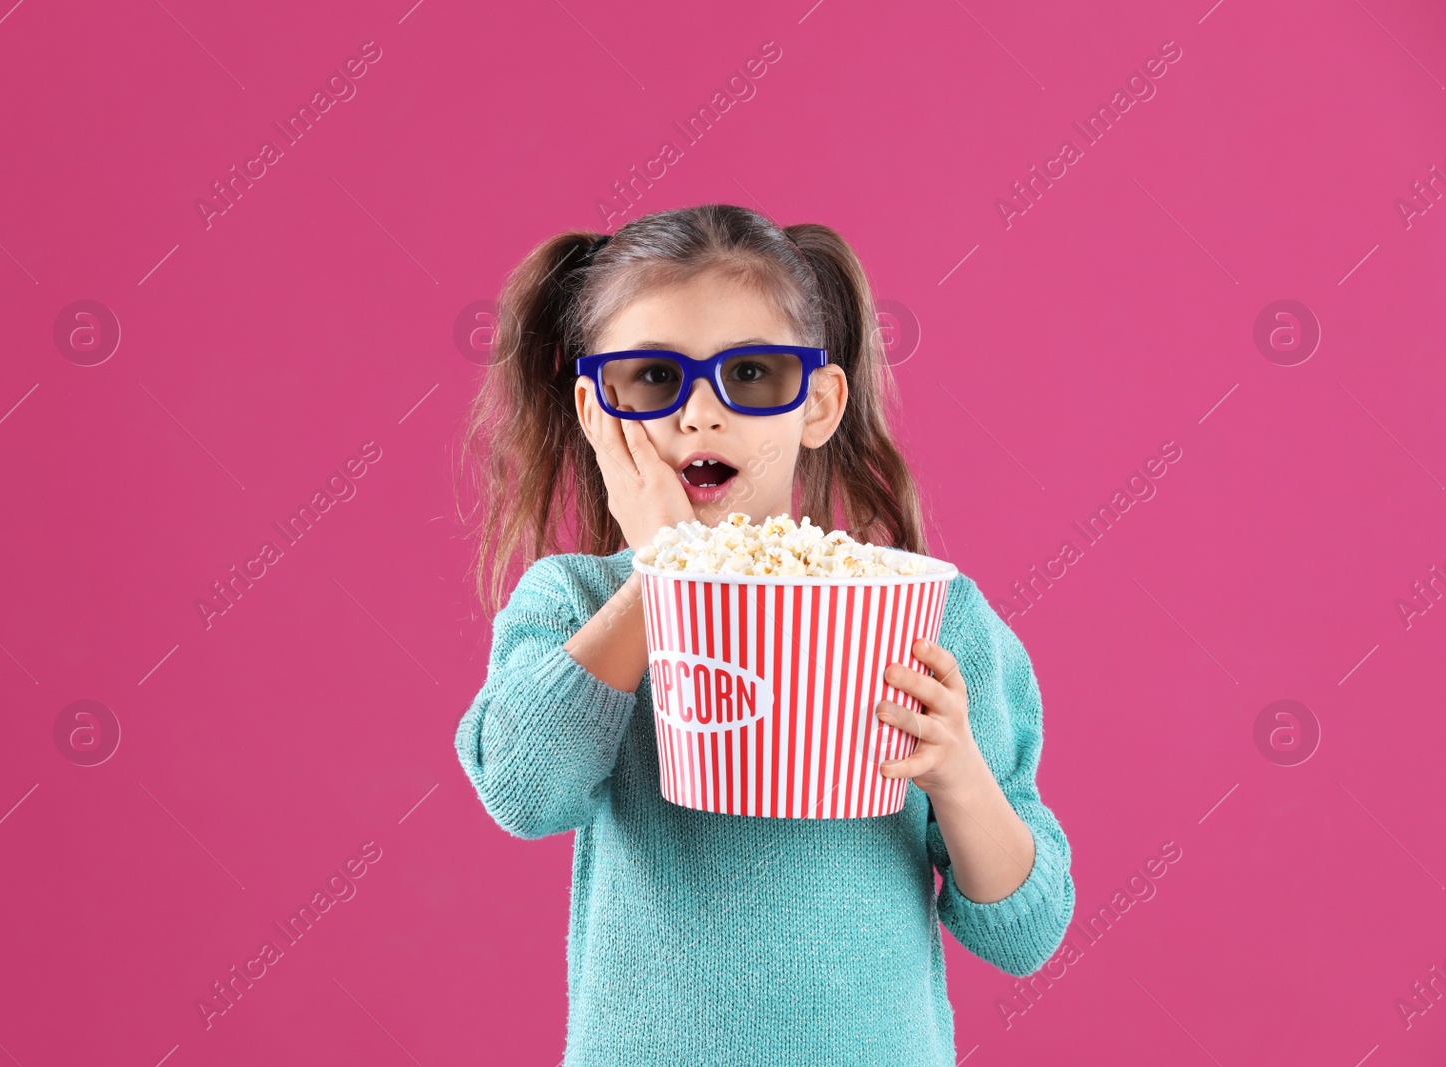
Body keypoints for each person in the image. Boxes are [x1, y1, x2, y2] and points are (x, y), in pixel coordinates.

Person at [454, 204, 1074, 1065]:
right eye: (649, 378)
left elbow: (1027, 932)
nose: (701, 413)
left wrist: (960, 775)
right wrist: (666, 570)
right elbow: (524, 791)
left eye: (750, 373)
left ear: (817, 404)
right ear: (596, 411)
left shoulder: (922, 613)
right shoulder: (578, 601)